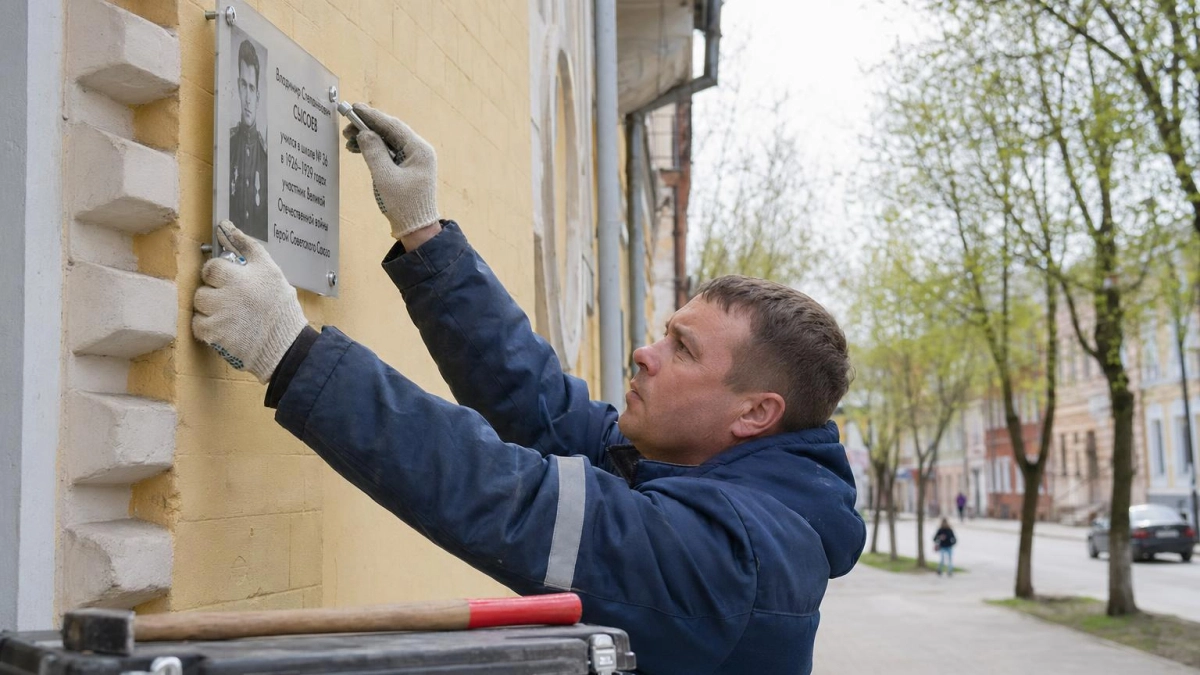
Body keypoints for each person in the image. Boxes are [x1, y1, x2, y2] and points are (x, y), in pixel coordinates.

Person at [191, 104, 866, 674]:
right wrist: (423, 231)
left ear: (754, 412)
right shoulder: (693, 471)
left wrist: (289, 353)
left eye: (681, 349)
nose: (643, 353)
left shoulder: (732, 557)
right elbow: (539, 402)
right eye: (665, 332)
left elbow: (507, 498)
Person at [228, 38, 268, 241]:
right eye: (244, 85)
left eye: (252, 88)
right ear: (238, 87)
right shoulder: (229, 147)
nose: (248, 98)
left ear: (258, 96)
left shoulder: (265, 157)